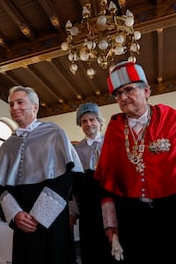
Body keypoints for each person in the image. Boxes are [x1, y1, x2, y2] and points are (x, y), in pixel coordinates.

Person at [94, 61, 176, 263]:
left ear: (147, 91)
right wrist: (110, 225)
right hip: (135, 222)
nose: (123, 97)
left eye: (129, 89)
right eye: (118, 93)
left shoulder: (174, 120)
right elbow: (107, 183)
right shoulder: (113, 129)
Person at [0, 86, 84, 264]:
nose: (14, 107)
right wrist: (16, 214)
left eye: (20, 102)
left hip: (50, 220)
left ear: (35, 106)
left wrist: (38, 215)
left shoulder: (54, 133)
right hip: (22, 221)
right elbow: (1, 187)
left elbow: (67, 177)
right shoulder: (7, 145)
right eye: (11, 104)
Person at [71, 102, 115, 264]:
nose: (89, 124)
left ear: (99, 122)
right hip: (88, 207)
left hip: (111, 203)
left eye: (92, 120)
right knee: (92, 249)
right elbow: (73, 184)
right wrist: (73, 210)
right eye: (84, 121)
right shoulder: (75, 150)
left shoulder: (112, 143)